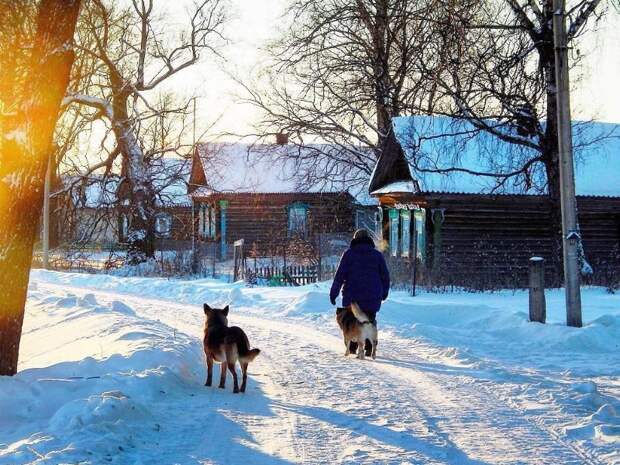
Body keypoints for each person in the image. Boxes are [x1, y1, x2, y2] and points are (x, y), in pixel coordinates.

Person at [330, 228, 390, 355]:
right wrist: (384, 292)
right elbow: (385, 276)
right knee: (369, 320)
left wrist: (333, 293)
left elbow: (339, 276)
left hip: (353, 297)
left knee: (352, 321)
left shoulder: (349, 254)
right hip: (372, 297)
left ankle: (351, 347)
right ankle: (369, 347)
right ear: (369, 240)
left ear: (355, 240)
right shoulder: (377, 255)